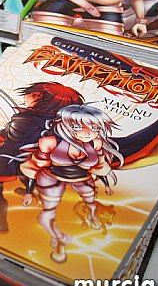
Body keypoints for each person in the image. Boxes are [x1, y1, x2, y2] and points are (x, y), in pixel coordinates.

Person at [0, 82, 84, 233]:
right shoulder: (60, 123)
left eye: (33, 94)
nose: (26, 97)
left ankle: (1, 224)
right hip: (31, 159)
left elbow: (10, 148)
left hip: (9, 160)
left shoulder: (25, 121)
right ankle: (28, 189)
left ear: (39, 99)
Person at [20, 104, 123, 264]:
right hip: (52, 177)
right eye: (78, 127)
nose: (88, 132)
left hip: (82, 178)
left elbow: (100, 167)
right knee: (48, 211)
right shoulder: (50, 142)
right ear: (64, 125)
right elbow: (34, 166)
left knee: (91, 201)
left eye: (95, 128)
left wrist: (107, 184)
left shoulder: (95, 143)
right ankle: (57, 239)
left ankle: (91, 215)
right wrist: (28, 191)